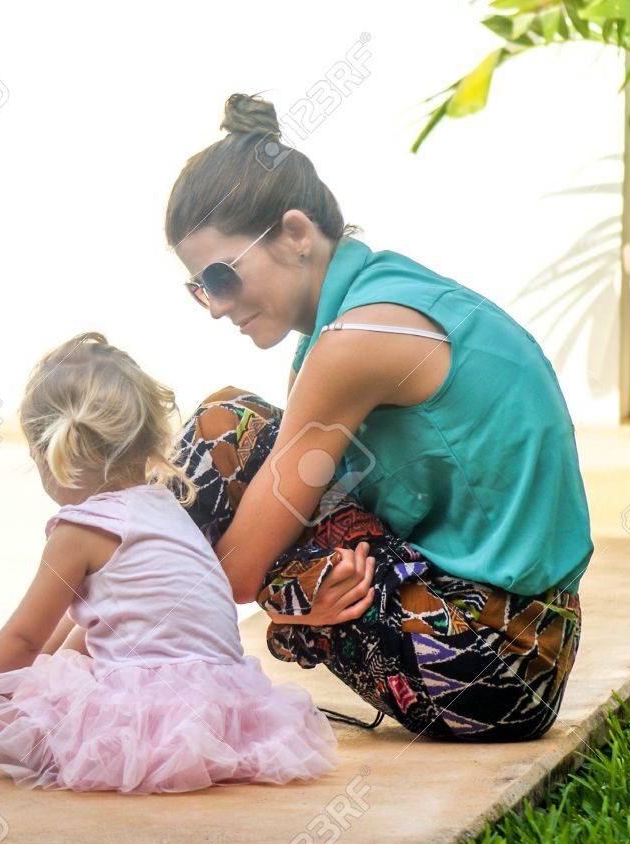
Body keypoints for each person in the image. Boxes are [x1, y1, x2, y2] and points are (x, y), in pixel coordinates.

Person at [162, 93, 591, 741]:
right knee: (234, 453)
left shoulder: (352, 343)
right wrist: (294, 602)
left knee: (226, 427)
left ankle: (55, 678)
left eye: (221, 277)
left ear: (296, 233)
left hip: (490, 663)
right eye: (199, 289)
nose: (216, 306)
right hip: (516, 647)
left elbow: (238, 573)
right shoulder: (372, 303)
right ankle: (58, 665)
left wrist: (284, 605)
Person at [0, 332, 338, 797]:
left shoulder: (81, 530)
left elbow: (21, 640)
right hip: (225, 713)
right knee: (73, 652)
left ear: (54, 453)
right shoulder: (161, 507)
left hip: (155, 722)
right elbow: (69, 636)